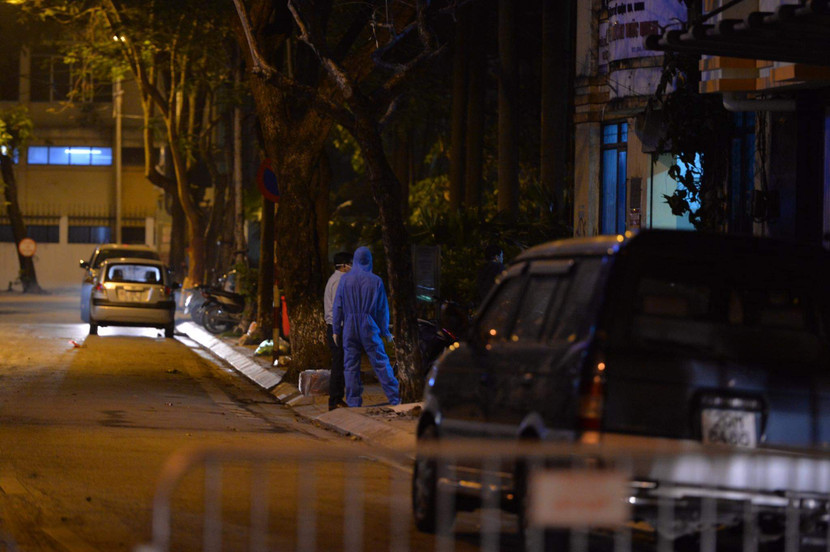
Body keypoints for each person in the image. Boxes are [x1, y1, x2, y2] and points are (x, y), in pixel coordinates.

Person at [332, 246, 401, 407]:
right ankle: (395, 397)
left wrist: (336, 329)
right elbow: (382, 309)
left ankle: (353, 401)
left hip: (349, 325)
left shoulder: (345, 280)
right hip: (368, 324)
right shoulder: (376, 281)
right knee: (380, 362)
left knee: (350, 365)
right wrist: (385, 330)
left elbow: (338, 306)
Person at [324, 251, 352, 411]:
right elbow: (338, 307)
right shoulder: (339, 281)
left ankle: (337, 398)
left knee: (341, 364)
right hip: (338, 328)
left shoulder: (337, 280)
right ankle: (335, 400)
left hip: (338, 327)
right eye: (351, 264)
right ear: (344, 265)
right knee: (338, 365)